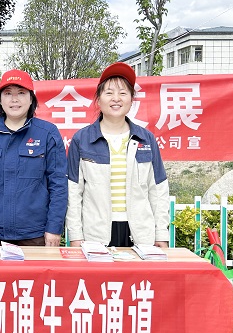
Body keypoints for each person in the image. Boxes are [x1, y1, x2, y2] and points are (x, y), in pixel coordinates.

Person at [66, 62, 170, 247]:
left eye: (123, 93)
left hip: (140, 233)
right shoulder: (82, 139)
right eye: (109, 93)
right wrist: (75, 235)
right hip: (95, 234)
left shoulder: (146, 139)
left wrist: (161, 234)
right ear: (98, 99)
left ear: (131, 99)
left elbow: (158, 190)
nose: (116, 99)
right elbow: (73, 192)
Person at [0, 69, 67, 247]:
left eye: (21, 93)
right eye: (8, 93)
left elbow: (58, 184)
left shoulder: (47, 133)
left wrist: (54, 227)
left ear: (31, 99)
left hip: (35, 234)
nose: (14, 99)